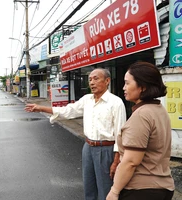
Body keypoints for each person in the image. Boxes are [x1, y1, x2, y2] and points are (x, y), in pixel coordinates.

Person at [25, 68, 126, 200]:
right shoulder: (87, 100)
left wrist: (116, 160)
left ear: (107, 81)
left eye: (96, 79)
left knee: (105, 188)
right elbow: (68, 111)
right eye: (90, 79)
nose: (92, 83)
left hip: (106, 150)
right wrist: (41, 108)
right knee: (89, 186)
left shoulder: (116, 103)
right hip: (88, 148)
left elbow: (120, 133)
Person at [106, 62, 175, 200]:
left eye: (127, 83)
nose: (123, 88)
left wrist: (114, 191)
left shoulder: (142, 115)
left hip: (141, 190)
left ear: (142, 87)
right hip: (163, 186)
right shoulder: (159, 110)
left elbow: (131, 161)